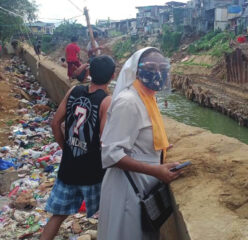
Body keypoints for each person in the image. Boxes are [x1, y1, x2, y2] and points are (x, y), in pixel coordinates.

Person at [97, 47, 182, 240]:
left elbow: (140, 137)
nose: (157, 72)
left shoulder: (148, 99)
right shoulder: (129, 102)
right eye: (151, 67)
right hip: (127, 188)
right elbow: (111, 153)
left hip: (143, 185)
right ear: (136, 70)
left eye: (163, 67)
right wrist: (156, 170)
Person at [40, 55, 115, 240]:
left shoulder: (74, 91)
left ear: (89, 72)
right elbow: (104, 142)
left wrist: (67, 150)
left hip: (69, 169)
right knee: (107, 216)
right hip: (93, 174)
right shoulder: (107, 101)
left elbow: (55, 124)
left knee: (57, 217)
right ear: (113, 76)